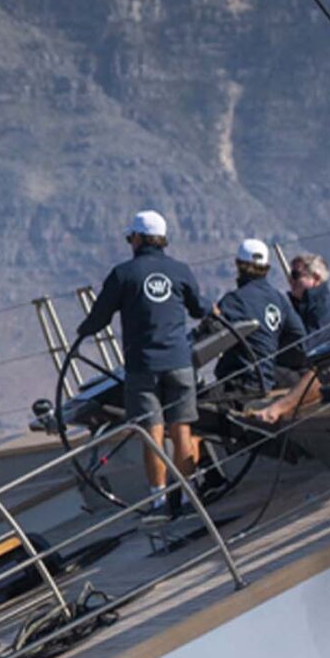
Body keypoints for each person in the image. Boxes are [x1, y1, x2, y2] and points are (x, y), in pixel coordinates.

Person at [73, 209, 206, 517]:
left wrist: (82, 332)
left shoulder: (124, 274)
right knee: (182, 429)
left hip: (143, 367)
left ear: (136, 238)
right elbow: (198, 309)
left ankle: (159, 500)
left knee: (152, 433)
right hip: (179, 362)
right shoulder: (181, 270)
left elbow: (99, 318)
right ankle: (187, 497)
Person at [213, 238, 305, 394]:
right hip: (268, 381)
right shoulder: (279, 299)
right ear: (267, 267)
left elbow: (208, 335)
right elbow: (298, 337)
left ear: (238, 265)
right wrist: (270, 355)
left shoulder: (233, 301)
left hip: (237, 387)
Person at [287, 252, 330, 360]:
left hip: (324, 366)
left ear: (316, 278)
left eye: (296, 275)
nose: (291, 280)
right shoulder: (302, 307)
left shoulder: (326, 310)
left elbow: (303, 348)